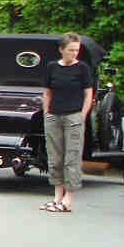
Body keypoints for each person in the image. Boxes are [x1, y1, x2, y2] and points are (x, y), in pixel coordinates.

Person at [40, 32, 93, 213]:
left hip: (73, 116)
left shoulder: (83, 69)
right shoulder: (52, 67)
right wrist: (47, 112)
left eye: (76, 50)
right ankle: (57, 197)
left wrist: (82, 115)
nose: (74, 53)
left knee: (72, 157)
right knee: (55, 157)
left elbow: (88, 94)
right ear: (61, 49)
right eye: (71, 50)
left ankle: (68, 199)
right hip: (54, 115)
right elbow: (46, 92)